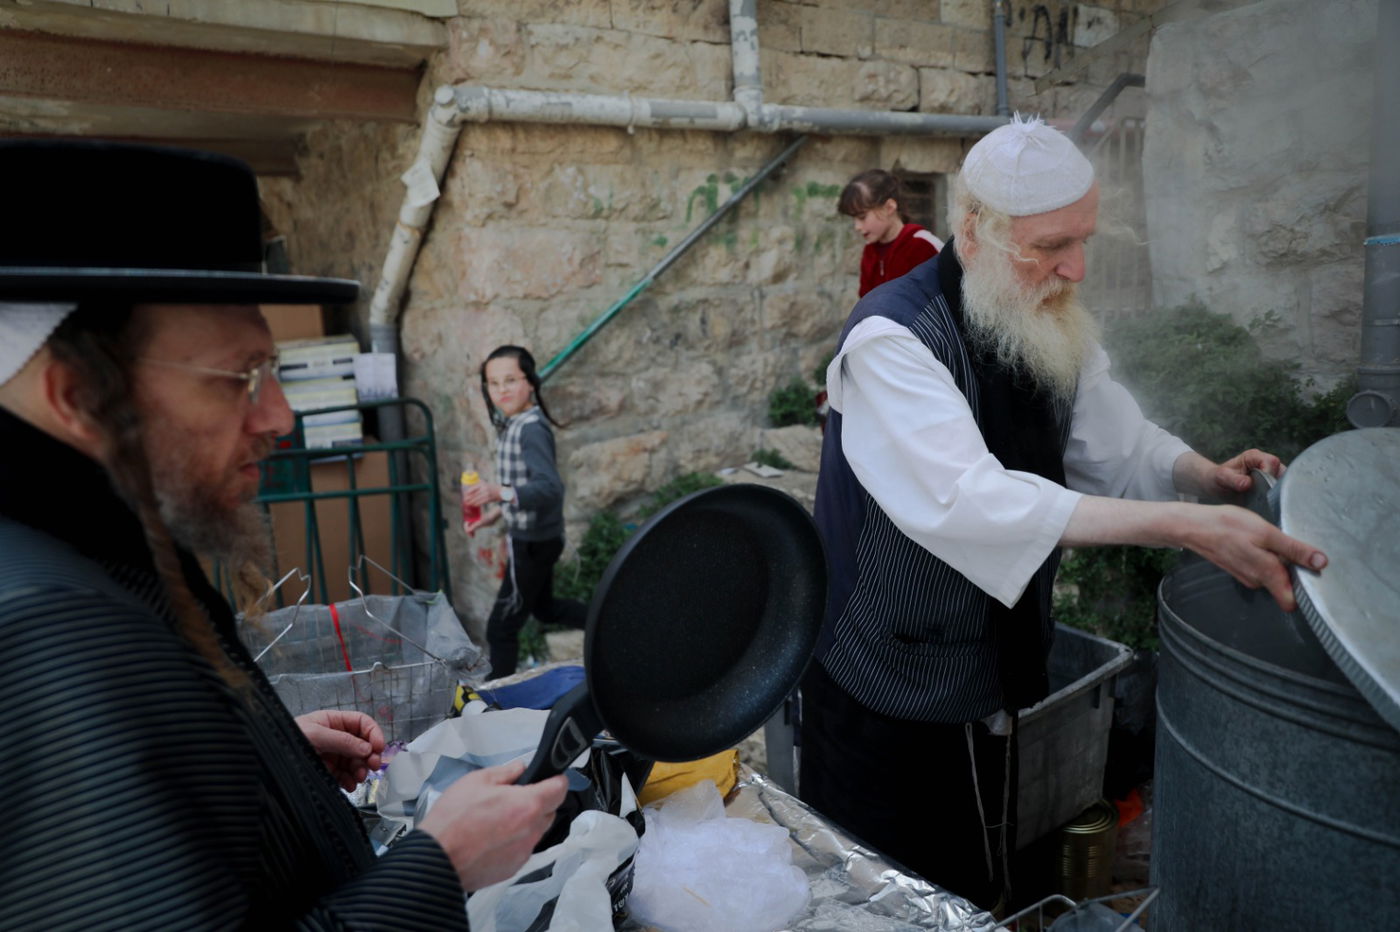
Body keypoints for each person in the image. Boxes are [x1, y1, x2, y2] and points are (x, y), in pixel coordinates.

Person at [0, 139, 568, 929]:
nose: (279, 417)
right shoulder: (43, 632)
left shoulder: (102, 533)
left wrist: (259, 754)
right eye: (241, 378)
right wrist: (439, 865)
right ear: (75, 397)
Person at [800, 115, 1328, 911]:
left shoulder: (1039, 312)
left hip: (991, 667)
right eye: (1050, 246)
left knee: (981, 878)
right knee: (891, 897)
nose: (1076, 267)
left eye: (1085, 239)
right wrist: (1184, 528)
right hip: (887, 682)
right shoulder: (890, 340)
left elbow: (1108, 433)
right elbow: (971, 500)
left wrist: (1199, 478)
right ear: (974, 230)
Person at [462, 345, 587, 679]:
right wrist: (495, 512)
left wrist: (495, 492)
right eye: (493, 383)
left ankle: (496, 698)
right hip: (535, 539)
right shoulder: (516, 422)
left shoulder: (531, 428)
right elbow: (523, 489)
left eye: (510, 380)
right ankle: (612, 622)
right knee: (544, 609)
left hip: (533, 545)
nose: (501, 390)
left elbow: (549, 488)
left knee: (500, 629)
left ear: (530, 382)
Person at [839, 168, 945, 297]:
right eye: (854, 219)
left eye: (862, 217)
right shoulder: (870, 252)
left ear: (889, 207)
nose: (857, 226)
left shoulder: (923, 245)